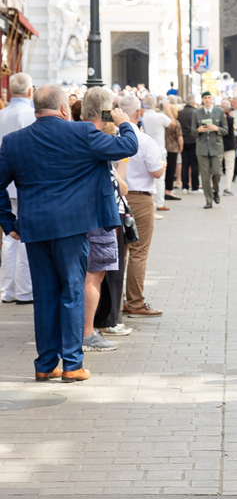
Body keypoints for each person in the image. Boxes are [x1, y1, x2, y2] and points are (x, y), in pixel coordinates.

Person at [0, 85, 137, 382]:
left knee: (45, 296)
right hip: (72, 227)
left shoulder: (13, 142)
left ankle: (45, 364)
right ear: (64, 109)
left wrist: (8, 223)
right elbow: (127, 146)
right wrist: (125, 122)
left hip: (34, 228)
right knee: (72, 292)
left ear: (36, 108)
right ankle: (72, 364)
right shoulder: (82, 133)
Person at [80, 88, 127, 352]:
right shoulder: (95, 137)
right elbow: (129, 146)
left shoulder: (72, 133)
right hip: (97, 217)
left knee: (80, 275)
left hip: (77, 216)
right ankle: (87, 333)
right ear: (106, 111)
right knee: (93, 275)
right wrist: (125, 124)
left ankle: (79, 330)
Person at [118, 95, 166, 318]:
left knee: (118, 251)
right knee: (138, 251)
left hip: (115, 197)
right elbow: (156, 172)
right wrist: (163, 164)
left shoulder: (111, 137)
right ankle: (135, 301)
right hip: (140, 197)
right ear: (138, 113)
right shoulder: (144, 140)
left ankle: (117, 301)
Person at [0, 73, 35, 305]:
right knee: (24, 236)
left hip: (5, 182)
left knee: (9, 237)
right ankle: (23, 291)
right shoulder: (31, 115)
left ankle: (7, 290)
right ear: (30, 91)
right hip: (25, 183)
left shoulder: (2, 114)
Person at [193, 91, 228, 209]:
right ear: (202, 100)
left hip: (216, 146)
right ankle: (208, 200)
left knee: (217, 172)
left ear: (212, 99)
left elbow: (226, 130)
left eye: (209, 97)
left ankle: (215, 190)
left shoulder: (219, 111)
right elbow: (192, 131)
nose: (207, 100)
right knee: (205, 176)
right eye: (205, 98)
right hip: (202, 147)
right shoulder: (197, 113)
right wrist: (198, 130)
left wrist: (216, 128)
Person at [142, 94, 172, 213]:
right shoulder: (160, 116)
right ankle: (160, 202)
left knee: (145, 176)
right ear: (155, 104)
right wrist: (167, 108)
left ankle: (149, 203)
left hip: (144, 149)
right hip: (159, 149)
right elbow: (172, 124)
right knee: (160, 178)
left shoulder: (142, 116)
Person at [177, 95, 200, 194]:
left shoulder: (180, 113)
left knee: (185, 164)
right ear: (193, 102)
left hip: (183, 140)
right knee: (194, 164)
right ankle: (195, 186)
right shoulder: (196, 112)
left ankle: (185, 186)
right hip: (194, 140)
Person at [162, 101, 183, 201]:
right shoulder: (176, 123)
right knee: (171, 170)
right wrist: (181, 146)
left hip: (164, 147)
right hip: (173, 148)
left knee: (165, 170)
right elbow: (179, 137)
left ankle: (164, 189)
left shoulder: (164, 121)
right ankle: (169, 190)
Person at [221, 100, 237, 196]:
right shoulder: (231, 119)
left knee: (216, 167)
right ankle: (227, 188)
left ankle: (213, 186)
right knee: (229, 168)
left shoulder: (217, 119)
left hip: (219, 145)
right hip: (230, 145)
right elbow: (236, 127)